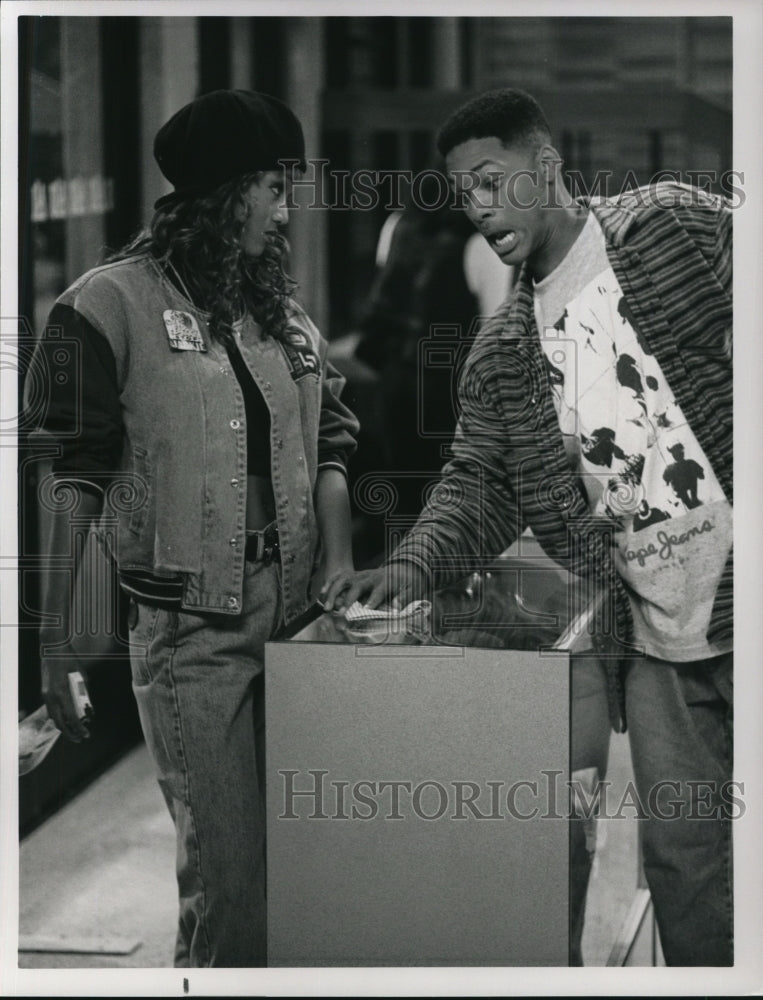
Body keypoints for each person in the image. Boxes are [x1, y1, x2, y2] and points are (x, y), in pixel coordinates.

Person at [323, 88, 733, 966]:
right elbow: (476, 483)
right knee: (684, 867)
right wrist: (410, 566)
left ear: (544, 168)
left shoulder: (666, 228)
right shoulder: (503, 350)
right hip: (660, 641)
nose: (476, 206)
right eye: (462, 191)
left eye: (490, 179)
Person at [26, 89, 359, 967]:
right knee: (231, 893)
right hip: (190, 638)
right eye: (274, 187)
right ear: (228, 192)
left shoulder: (277, 312)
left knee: (299, 887)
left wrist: (342, 561)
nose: (286, 210)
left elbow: (331, 436)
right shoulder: (103, 307)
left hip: (292, 624)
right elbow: (70, 474)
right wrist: (57, 647)